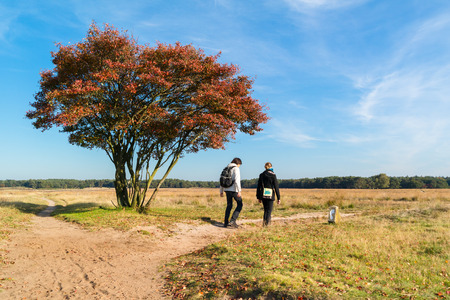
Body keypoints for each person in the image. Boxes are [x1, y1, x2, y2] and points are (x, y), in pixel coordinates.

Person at [220, 157, 243, 228]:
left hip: (226, 189)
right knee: (240, 204)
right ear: (238, 163)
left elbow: (221, 180)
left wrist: (221, 191)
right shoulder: (236, 168)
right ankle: (232, 221)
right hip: (234, 190)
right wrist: (239, 191)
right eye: (240, 164)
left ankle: (226, 222)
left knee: (229, 205)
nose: (239, 166)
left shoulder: (226, 168)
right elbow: (237, 180)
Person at [256, 162, 281, 226]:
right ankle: (267, 224)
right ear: (271, 167)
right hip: (270, 194)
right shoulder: (273, 175)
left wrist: (258, 197)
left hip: (263, 194)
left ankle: (264, 224)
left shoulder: (261, 175)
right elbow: (276, 187)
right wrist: (278, 198)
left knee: (265, 210)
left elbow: (259, 186)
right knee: (269, 211)